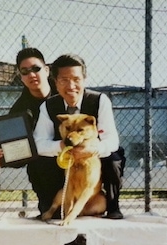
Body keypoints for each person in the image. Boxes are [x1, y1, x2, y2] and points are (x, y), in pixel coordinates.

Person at [35, 53, 125, 219]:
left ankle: (113, 206)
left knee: (114, 158)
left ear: (84, 79)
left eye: (76, 79)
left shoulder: (100, 101)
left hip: (92, 158)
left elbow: (112, 140)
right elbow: (39, 143)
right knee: (39, 163)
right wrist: (61, 147)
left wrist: (92, 149)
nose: (71, 86)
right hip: (64, 159)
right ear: (55, 82)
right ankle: (49, 207)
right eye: (64, 80)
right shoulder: (48, 106)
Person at [0, 48, 56, 215]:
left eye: (36, 68)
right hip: (44, 170)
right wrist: (5, 155)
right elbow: (19, 160)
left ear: (46, 70)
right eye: (25, 71)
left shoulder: (64, 93)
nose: (31, 75)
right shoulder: (19, 111)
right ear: (20, 77)